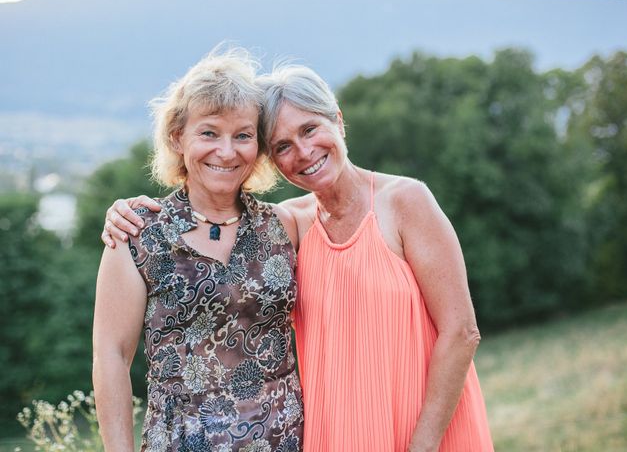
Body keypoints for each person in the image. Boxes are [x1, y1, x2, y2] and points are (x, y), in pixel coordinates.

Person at [102, 64, 494, 451]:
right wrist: (123, 211)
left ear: (338, 120)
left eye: (309, 129)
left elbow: (462, 331)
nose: (303, 152)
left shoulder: (372, 208)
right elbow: (113, 355)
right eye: (283, 146)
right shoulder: (283, 224)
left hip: (389, 429)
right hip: (316, 434)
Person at [92, 48, 304, 452]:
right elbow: (111, 357)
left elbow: (356, 205)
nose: (227, 151)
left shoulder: (287, 225)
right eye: (209, 133)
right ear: (177, 137)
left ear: (258, 147)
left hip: (286, 440)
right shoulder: (136, 234)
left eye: (242, 135)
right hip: (179, 441)